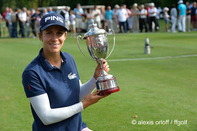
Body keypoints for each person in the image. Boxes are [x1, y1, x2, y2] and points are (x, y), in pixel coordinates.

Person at [22, 13, 110, 131]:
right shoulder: (32, 72)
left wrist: (95, 79)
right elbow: (46, 116)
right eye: (49, 32)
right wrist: (84, 105)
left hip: (77, 127)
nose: (55, 38)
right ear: (40, 36)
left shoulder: (69, 59)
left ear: (65, 36)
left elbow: (75, 95)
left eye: (59, 33)